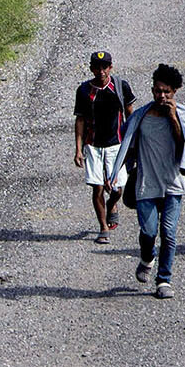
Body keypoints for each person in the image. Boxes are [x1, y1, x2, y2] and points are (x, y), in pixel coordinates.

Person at [111, 64, 185, 298]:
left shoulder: (183, 115)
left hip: (173, 184)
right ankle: (147, 257)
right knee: (149, 231)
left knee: (169, 233)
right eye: (158, 91)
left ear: (175, 91)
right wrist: (116, 173)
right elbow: (127, 144)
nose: (162, 96)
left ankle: (163, 280)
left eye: (167, 92)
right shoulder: (141, 116)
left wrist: (173, 117)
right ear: (152, 90)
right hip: (147, 184)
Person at [72, 51, 135, 243]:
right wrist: (78, 149)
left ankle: (112, 205)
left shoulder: (120, 86)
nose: (101, 71)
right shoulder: (84, 91)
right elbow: (80, 120)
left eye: (105, 67)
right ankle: (103, 228)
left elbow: (130, 115)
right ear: (91, 69)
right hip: (93, 146)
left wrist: (132, 143)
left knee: (117, 188)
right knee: (97, 187)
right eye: (97, 67)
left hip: (116, 145)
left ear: (110, 67)